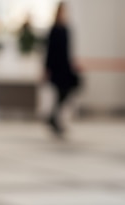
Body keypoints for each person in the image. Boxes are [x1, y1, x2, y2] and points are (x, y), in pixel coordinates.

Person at [44, 2, 81, 137]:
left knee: (66, 92)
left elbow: (68, 51)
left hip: (65, 67)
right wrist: (47, 69)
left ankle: (52, 118)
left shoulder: (66, 29)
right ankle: (54, 120)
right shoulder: (53, 30)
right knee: (59, 94)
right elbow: (49, 51)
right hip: (56, 67)